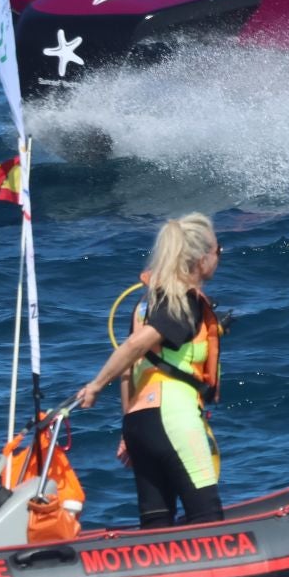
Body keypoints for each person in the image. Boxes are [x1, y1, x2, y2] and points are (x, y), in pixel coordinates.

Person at [75, 213, 227, 528]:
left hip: (139, 424)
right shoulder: (183, 303)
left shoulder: (145, 303)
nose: (219, 257)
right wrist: (96, 385)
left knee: (156, 527)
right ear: (201, 260)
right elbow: (132, 348)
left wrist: (127, 425)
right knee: (208, 521)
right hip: (173, 417)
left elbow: (132, 368)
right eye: (218, 250)